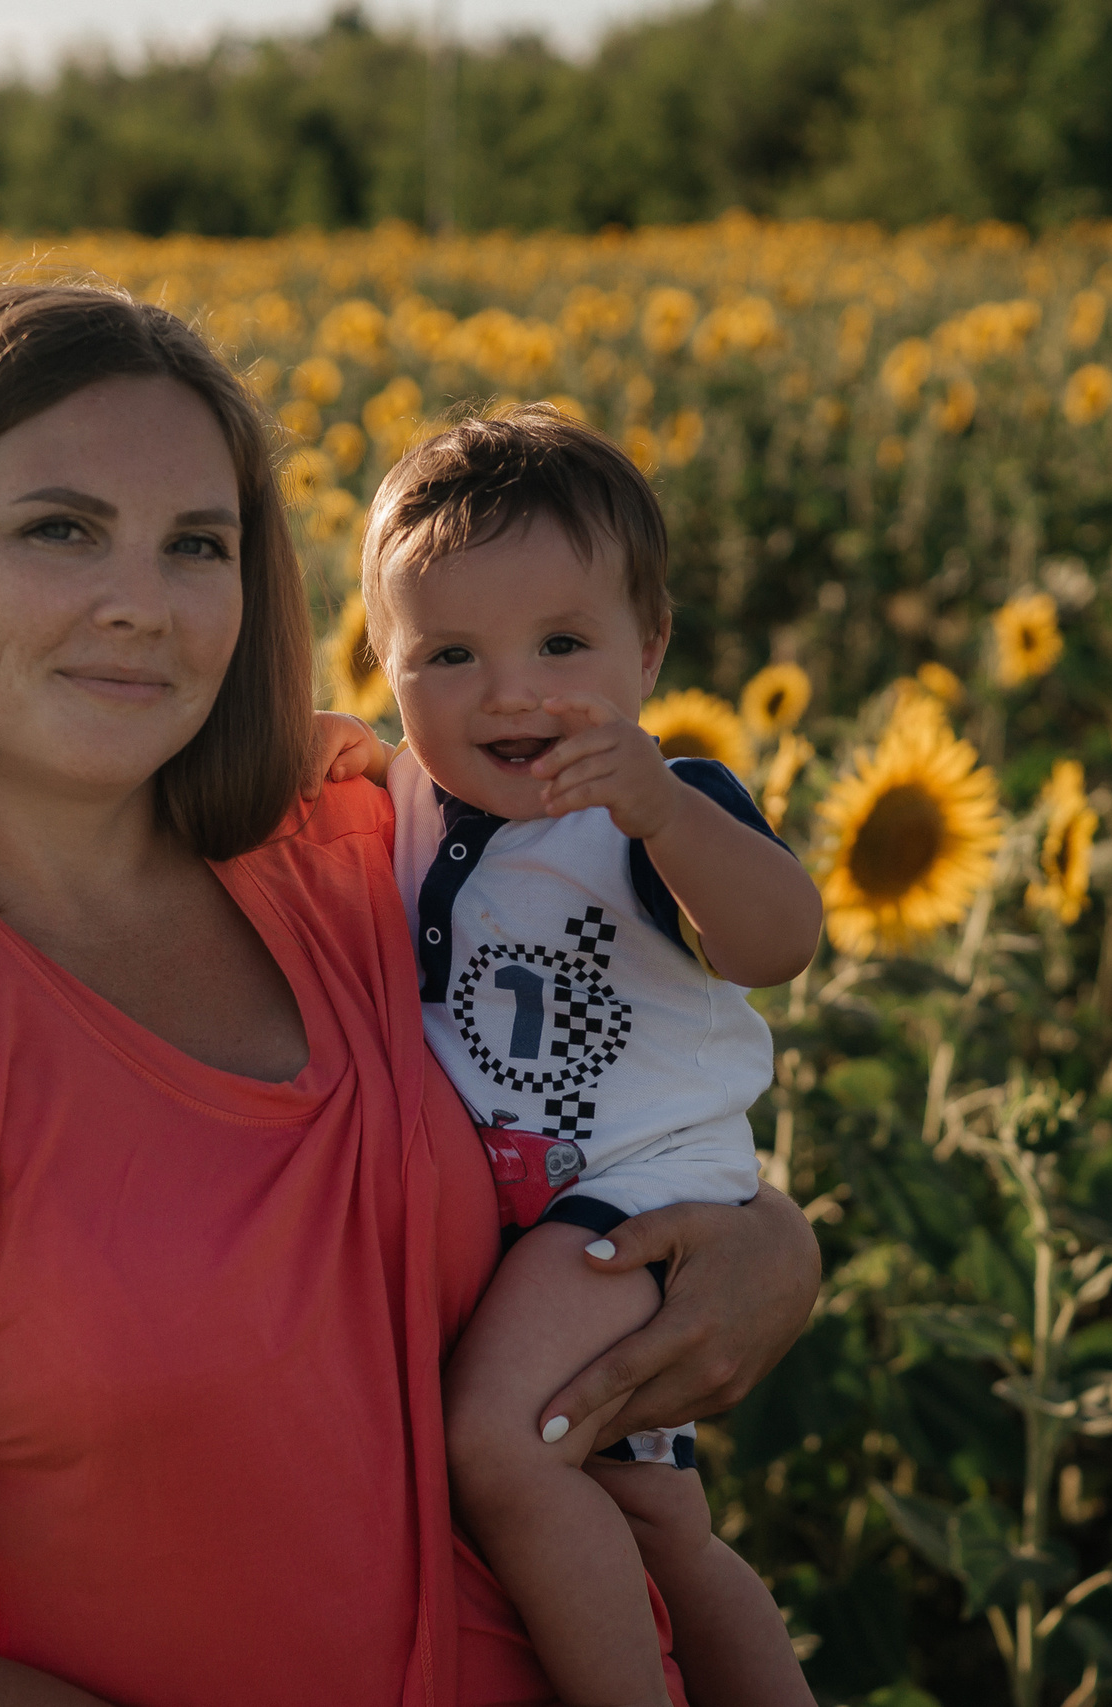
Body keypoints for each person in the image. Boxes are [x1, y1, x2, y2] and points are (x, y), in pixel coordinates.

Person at [0, 282, 822, 1707]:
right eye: (59, 529)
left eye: (197, 544)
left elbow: (610, 1072)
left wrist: (763, 1241)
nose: (140, 601)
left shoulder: (361, 860)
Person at [316, 408, 819, 1707]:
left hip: (636, 1198)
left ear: (647, 649)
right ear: (383, 665)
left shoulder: (649, 807)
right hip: (524, 1214)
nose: (510, 691)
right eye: (448, 654)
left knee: (501, 1446)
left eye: (561, 644)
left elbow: (779, 941)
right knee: (657, 1524)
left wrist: (659, 812)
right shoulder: (404, 806)